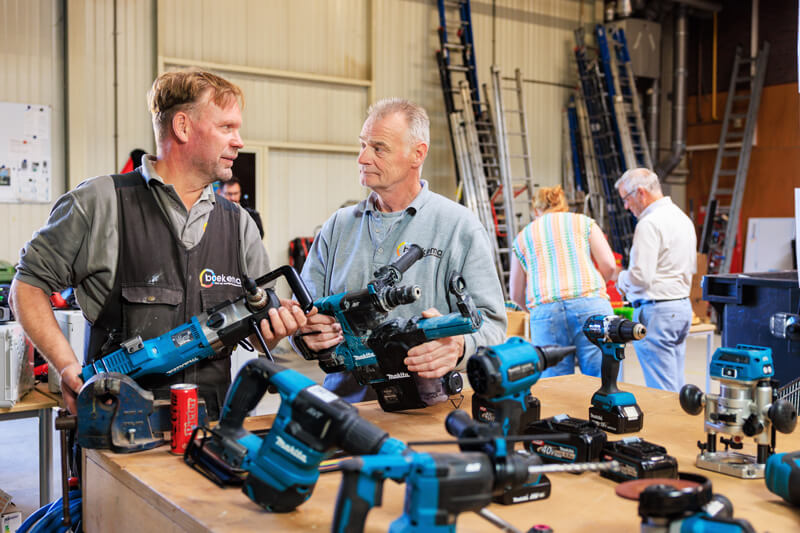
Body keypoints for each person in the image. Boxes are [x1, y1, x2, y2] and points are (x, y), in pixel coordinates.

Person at [10, 69, 308, 418]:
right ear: (182, 127)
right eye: (226, 127)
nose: (239, 141)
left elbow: (260, 335)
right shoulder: (99, 203)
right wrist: (66, 367)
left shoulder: (239, 224)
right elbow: (28, 285)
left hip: (207, 434)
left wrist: (275, 331)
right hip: (116, 432)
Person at [294, 98, 507, 402]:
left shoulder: (458, 226)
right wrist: (307, 332)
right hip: (345, 407)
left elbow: (493, 324)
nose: (362, 158)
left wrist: (460, 346)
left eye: (378, 148)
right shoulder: (338, 226)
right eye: (362, 145)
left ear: (417, 154)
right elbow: (304, 313)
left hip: (427, 410)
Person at [509, 185, 617, 378]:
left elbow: (515, 294)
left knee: (555, 386)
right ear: (564, 205)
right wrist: (595, 291)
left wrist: (533, 313)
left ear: (536, 210)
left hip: (546, 311)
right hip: (591, 304)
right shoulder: (584, 223)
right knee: (604, 378)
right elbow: (609, 264)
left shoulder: (523, 236)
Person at [614, 167, 696, 392]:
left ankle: (671, 427)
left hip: (657, 312)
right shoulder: (681, 218)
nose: (626, 206)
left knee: (661, 390)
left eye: (626, 199)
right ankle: (679, 425)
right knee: (675, 383)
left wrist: (620, 277)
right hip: (680, 308)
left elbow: (641, 277)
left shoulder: (649, 223)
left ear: (640, 192)